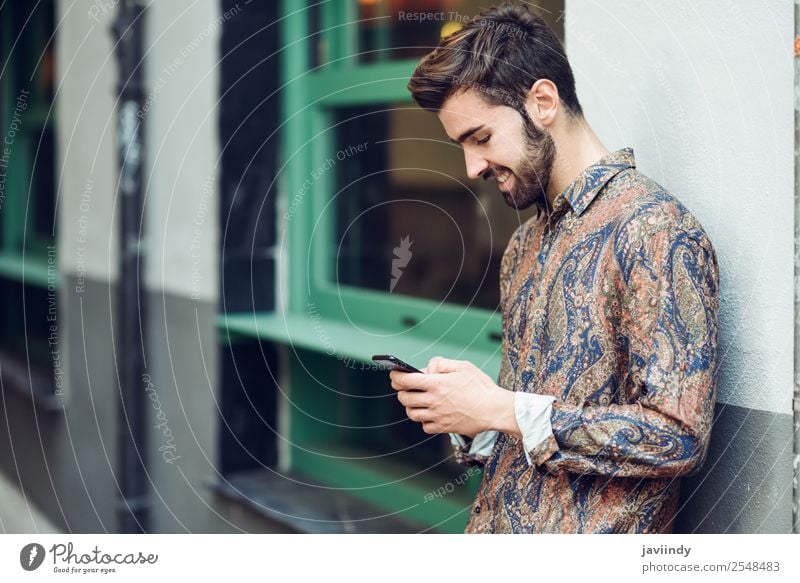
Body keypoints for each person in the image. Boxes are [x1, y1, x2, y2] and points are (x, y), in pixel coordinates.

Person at [389, 1, 719, 533]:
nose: (471, 166)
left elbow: (677, 437)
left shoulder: (656, 230)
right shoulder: (522, 245)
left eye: (481, 138)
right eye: (462, 146)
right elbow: (528, 418)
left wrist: (503, 409)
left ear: (542, 101)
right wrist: (474, 418)